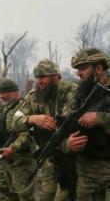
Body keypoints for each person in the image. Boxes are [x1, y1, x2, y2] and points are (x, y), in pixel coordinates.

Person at [12, 59, 77, 201]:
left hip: (73, 156)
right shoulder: (33, 96)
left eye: (43, 77)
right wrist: (32, 119)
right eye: (37, 78)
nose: (39, 81)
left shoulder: (72, 93)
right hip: (50, 156)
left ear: (57, 77)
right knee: (46, 196)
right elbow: (14, 121)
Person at [63, 48, 110, 200]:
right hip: (86, 173)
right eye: (77, 69)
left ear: (99, 68)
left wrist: (100, 118)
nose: (78, 73)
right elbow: (62, 130)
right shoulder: (78, 97)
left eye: (83, 68)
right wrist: (68, 144)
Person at [0, 79, 37, 201]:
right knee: (4, 187)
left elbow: (28, 134)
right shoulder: (4, 108)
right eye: (0, 93)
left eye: (6, 93)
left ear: (15, 92)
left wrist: (12, 149)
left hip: (22, 157)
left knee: (25, 194)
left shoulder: (24, 107)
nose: (2, 96)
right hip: (6, 156)